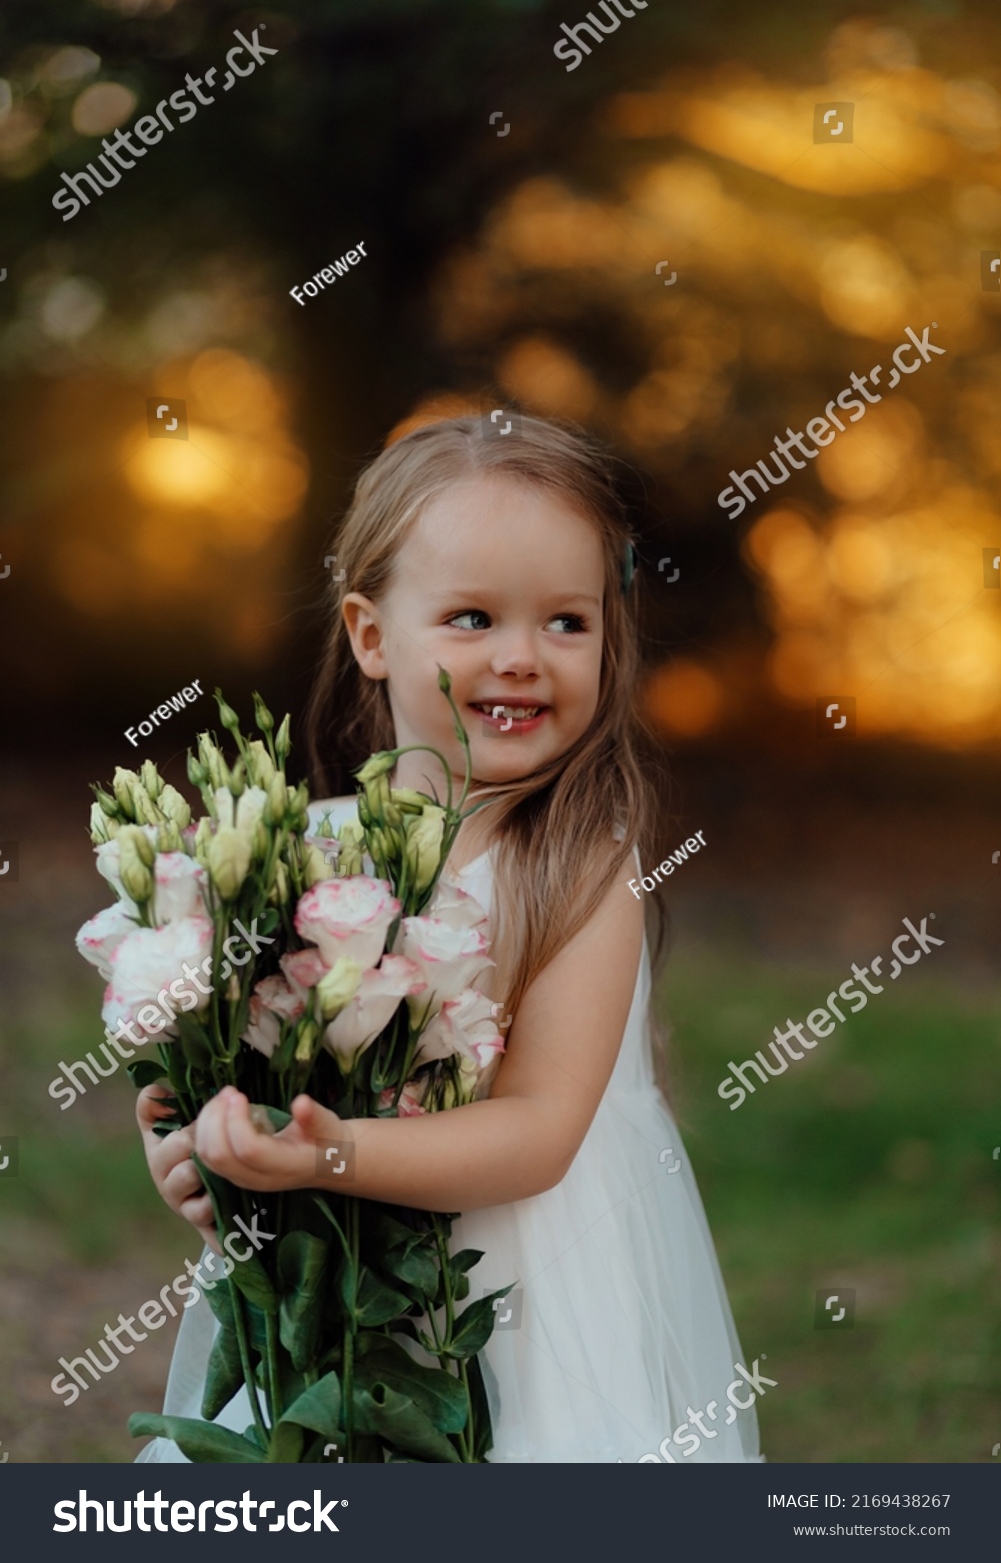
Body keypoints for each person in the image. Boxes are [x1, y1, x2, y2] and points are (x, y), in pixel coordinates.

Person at [135, 414, 761, 1463]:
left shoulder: (577, 868)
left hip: (534, 1303)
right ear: (372, 635)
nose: (521, 658)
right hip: (333, 1306)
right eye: (472, 617)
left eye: (567, 622)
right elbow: (238, 1078)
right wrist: (205, 1153)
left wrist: (325, 1154)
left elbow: (538, 1132)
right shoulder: (301, 859)